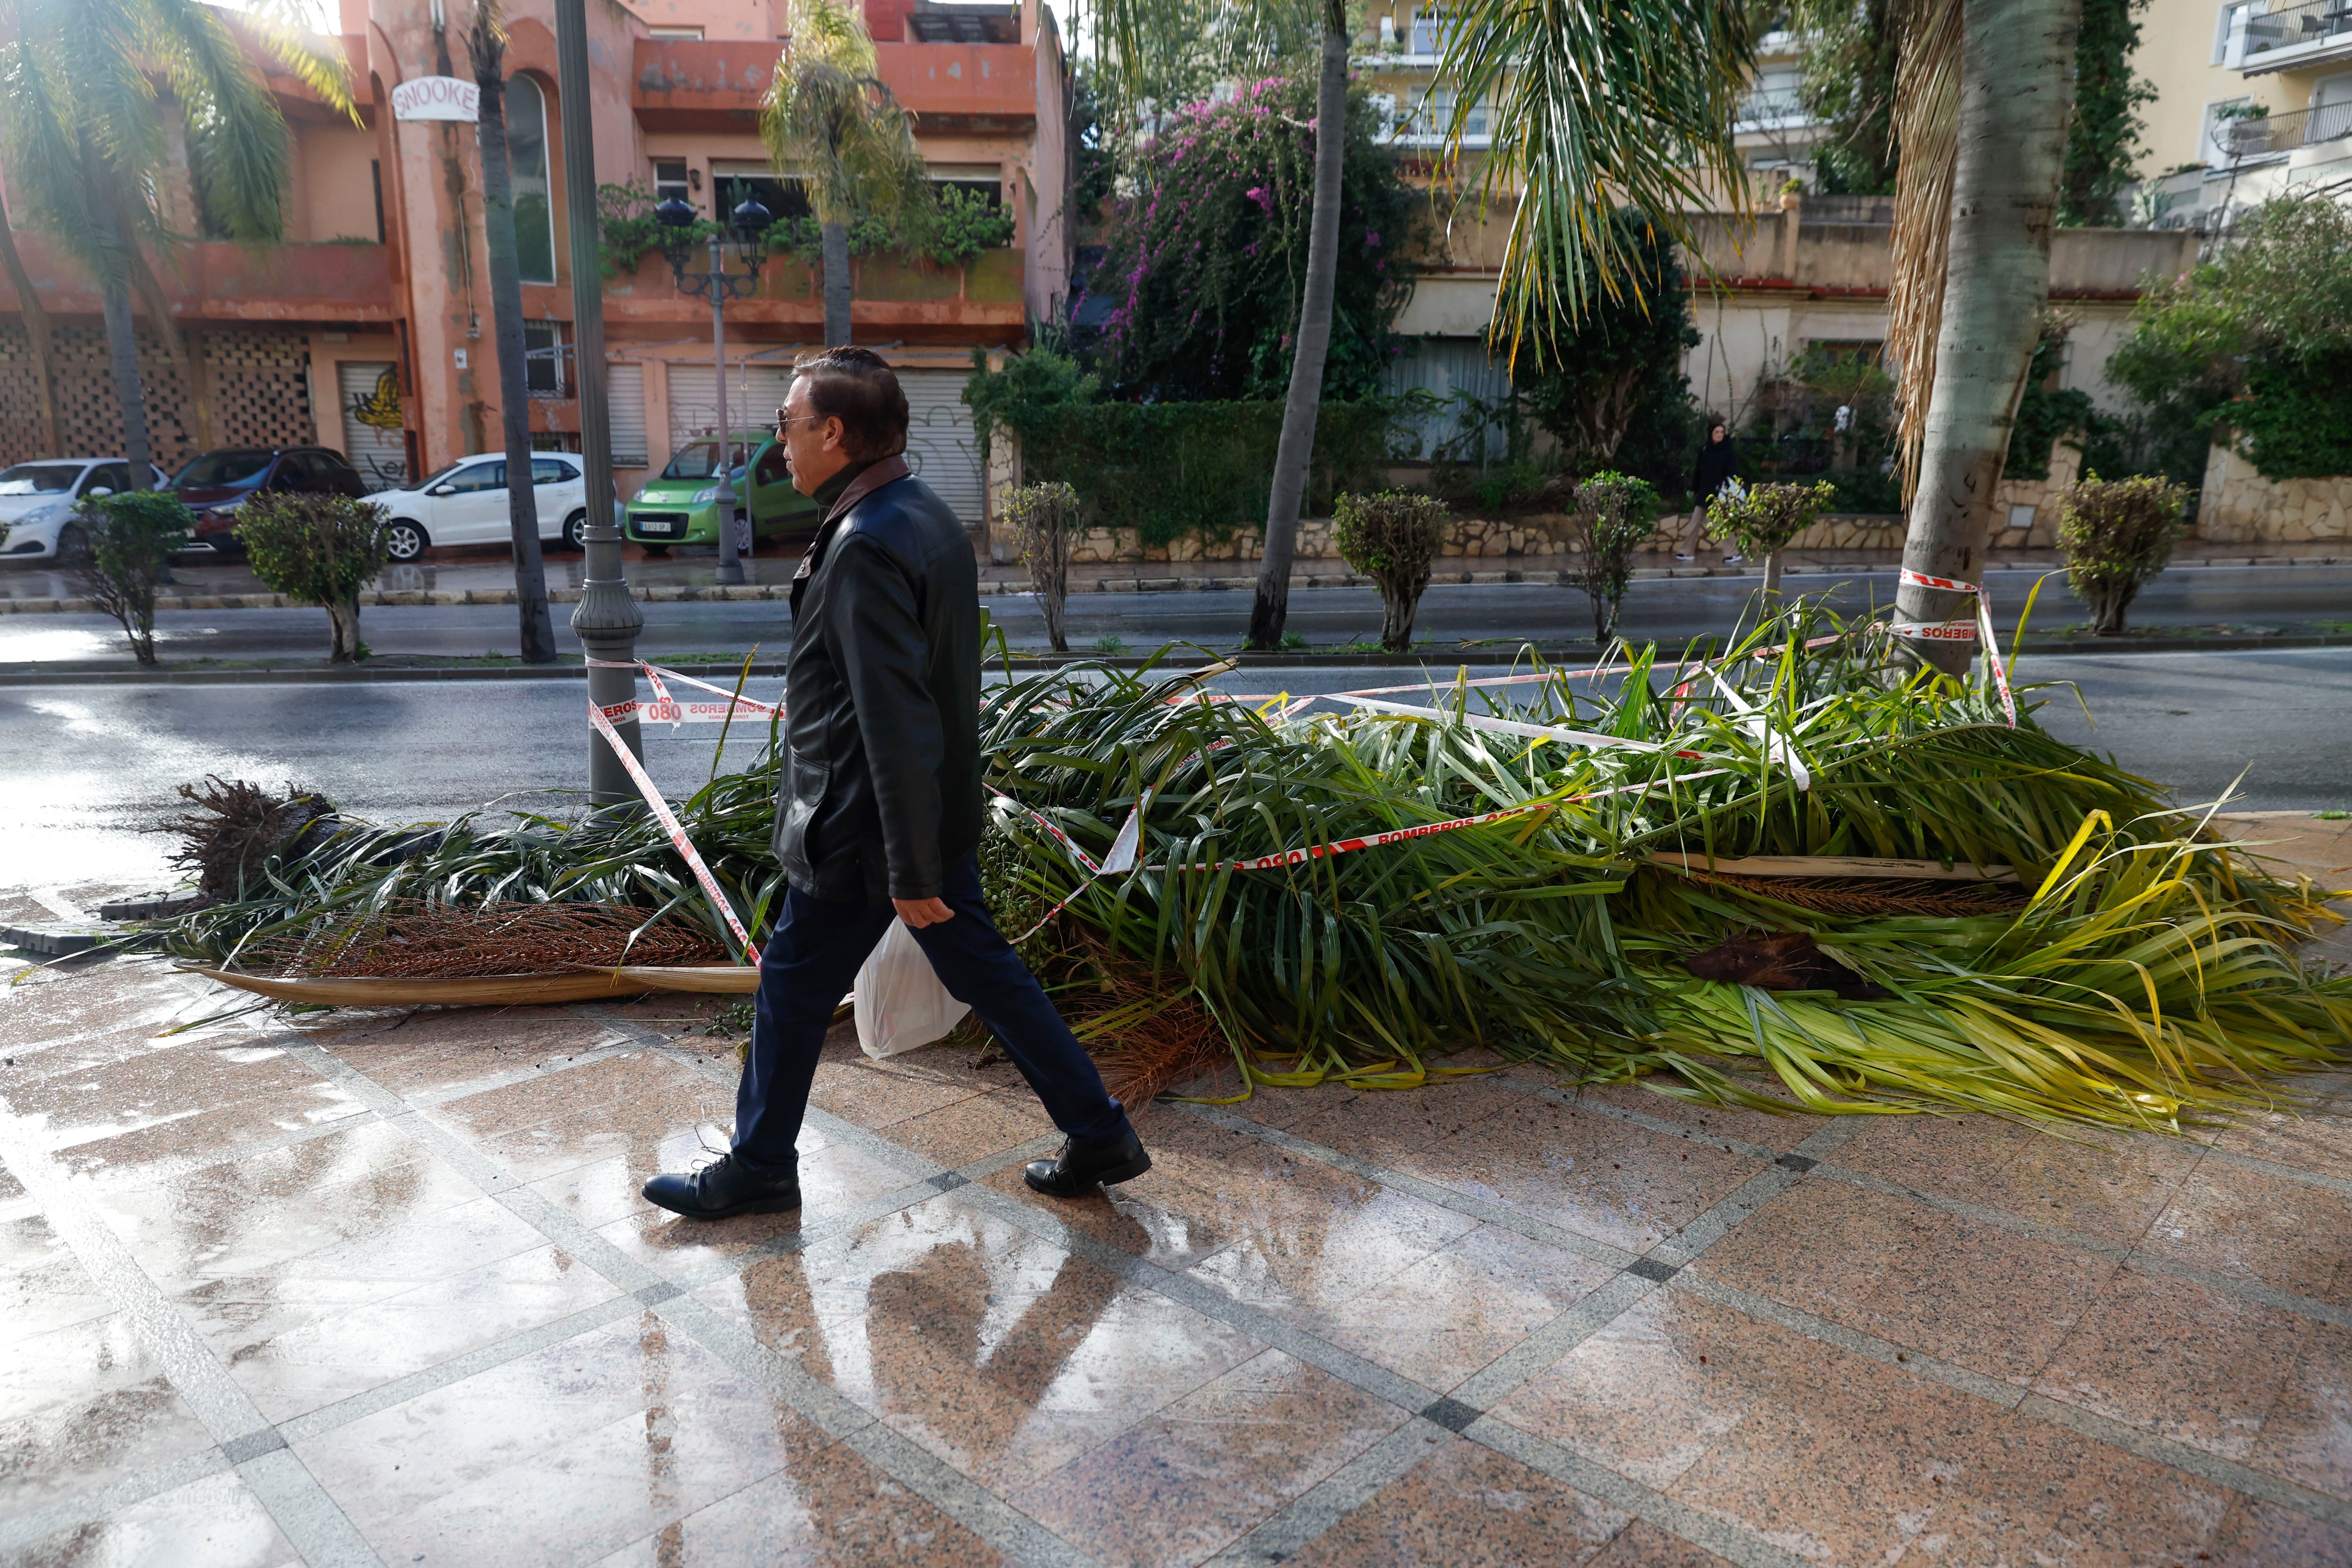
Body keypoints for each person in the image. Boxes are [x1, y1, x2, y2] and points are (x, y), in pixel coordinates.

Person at [641, 347, 1149, 1220]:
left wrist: (908, 871)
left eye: (788, 425)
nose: (778, 442)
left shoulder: (866, 544)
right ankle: (1098, 1129)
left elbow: (895, 716)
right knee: (988, 974)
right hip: (921, 817)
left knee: (795, 985)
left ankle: (762, 1162)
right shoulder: (923, 515)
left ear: (833, 432)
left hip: (865, 831)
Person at [1680, 421, 1745, 565]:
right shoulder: (1705, 450)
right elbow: (1699, 471)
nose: (1720, 435)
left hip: (1719, 494)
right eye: (1717, 432)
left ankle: (1732, 553)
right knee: (1695, 523)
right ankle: (1687, 551)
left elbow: (1732, 472)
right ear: (1711, 434)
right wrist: (1693, 489)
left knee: (1723, 524)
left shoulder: (1728, 450)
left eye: (1722, 432)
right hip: (1704, 493)